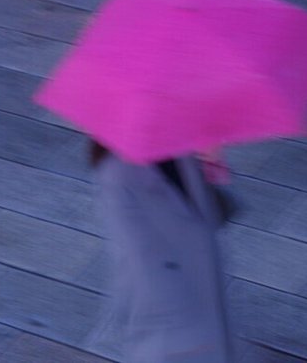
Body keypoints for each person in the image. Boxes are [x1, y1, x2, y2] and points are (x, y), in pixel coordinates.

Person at [88, 140, 232, 362]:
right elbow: (139, 254)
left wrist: (210, 168)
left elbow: (212, 216)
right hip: (168, 305)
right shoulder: (118, 173)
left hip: (197, 289)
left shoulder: (179, 151)